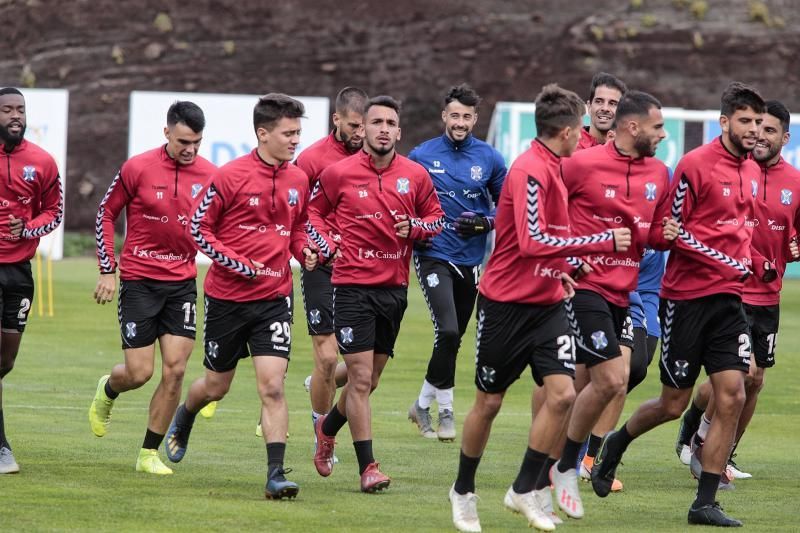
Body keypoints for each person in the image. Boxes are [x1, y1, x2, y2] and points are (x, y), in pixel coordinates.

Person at [447, 83, 633, 532]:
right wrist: (600, 240)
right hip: (506, 305)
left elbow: (550, 242)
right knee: (489, 403)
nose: (584, 135)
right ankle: (463, 491)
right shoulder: (530, 169)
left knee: (564, 394)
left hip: (549, 302)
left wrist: (568, 266)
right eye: (580, 129)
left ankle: (524, 488)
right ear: (568, 132)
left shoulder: (556, 167)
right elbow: (532, 242)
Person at [591, 82, 766, 528]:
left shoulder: (752, 171)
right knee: (673, 403)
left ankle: (704, 503)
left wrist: (753, 261)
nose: (752, 130)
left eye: (758, 123)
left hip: (729, 300)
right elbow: (669, 230)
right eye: (744, 121)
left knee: (734, 392)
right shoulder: (694, 165)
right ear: (724, 122)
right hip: (686, 299)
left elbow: (740, 234)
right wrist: (722, 258)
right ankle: (616, 443)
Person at [163, 93, 318, 500]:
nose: (295, 140)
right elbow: (199, 230)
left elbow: (299, 228)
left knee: (273, 387)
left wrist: (306, 252)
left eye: (299, 133)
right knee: (215, 386)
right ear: (263, 133)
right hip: (227, 300)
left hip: (274, 299)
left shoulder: (299, 179)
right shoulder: (229, 176)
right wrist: (234, 262)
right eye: (288, 133)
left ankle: (274, 475)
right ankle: (186, 413)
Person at [307, 95, 445, 492]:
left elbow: (436, 220)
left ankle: (327, 428)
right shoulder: (339, 173)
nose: (383, 128)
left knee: (370, 380)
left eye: (390, 123)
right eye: (376, 122)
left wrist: (414, 228)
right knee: (362, 379)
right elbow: (312, 213)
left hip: (394, 289)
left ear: (399, 132)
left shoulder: (415, 175)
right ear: (362, 129)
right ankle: (369, 468)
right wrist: (327, 242)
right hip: (351, 286)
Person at [553, 90, 669, 514]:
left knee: (589, 384)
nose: (664, 134)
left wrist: (664, 235)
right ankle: (569, 464)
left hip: (624, 292)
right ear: (633, 127)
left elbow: (651, 234)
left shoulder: (659, 173)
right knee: (610, 379)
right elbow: (547, 215)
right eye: (658, 126)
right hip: (583, 287)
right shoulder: (580, 164)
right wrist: (562, 262)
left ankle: (550, 464)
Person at [89, 101, 215, 475]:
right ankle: (109, 389)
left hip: (181, 283)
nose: (190, 149)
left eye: (196, 142)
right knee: (139, 372)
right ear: (166, 133)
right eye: (183, 141)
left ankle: (148, 453)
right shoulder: (138, 167)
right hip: (140, 280)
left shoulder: (212, 174)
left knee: (175, 371)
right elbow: (105, 212)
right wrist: (107, 269)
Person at [679, 100, 800, 482]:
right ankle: (703, 447)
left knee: (753, 380)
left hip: (769, 295)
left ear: (785, 136)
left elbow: (796, 234)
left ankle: (717, 446)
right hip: (729, 289)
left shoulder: (795, 183)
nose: (760, 135)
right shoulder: (733, 172)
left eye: (770, 130)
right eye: (756, 127)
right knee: (738, 374)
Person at [407, 83, 506, 442]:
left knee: (454, 338)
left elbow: (506, 207)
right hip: (433, 255)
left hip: (471, 261)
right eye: (455, 115)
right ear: (444, 116)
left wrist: (486, 222)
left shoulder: (490, 159)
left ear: (475, 119)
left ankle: (421, 404)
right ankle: (446, 410)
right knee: (447, 331)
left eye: (467, 116)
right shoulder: (420, 156)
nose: (460, 122)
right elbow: (406, 203)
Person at [295, 87, 367, 449]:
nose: (360, 133)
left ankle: (317, 386)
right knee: (326, 356)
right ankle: (322, 434)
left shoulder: (375, 158)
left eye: (364, 126)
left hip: (364, 270)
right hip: (322, 265)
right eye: (354, 125)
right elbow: (297, 213)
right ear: (336, 119)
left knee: (365, 367)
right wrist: (311, 248)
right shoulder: (311, 159)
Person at [0, 87, 63, 474]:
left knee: (5, 361)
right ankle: (2, 448)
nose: (15, 116)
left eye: (19, 109)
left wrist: (29, 228)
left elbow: (55, 212)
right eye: (7, 110)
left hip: (20, 273)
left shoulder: (41, 162)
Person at [578, 73, 627, 150]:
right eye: (599, 101)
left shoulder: (631, 152)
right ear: (589, 106)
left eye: (613, 103)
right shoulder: (568, 147)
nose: (605, 108)